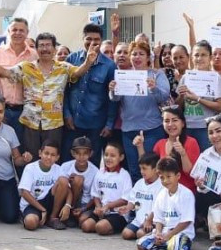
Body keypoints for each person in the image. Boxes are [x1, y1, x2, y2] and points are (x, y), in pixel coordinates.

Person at [0, 33, 98, 154]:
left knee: (52, 158)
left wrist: (88, 62)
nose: (45, 49)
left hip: (53, 124)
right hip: (30, 123)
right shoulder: (26, 67)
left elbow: (77, 73)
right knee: (30, 158)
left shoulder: (63, 68)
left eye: (48, 45)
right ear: (36, 49)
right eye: (41, 45)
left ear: (54, 49)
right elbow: (5, 73)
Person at [109, 40, 170, 179]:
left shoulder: (157, 74)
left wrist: (154, 88)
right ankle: (138, 200)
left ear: (148, 57)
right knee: (135, 171)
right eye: (134, 54)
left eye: (141, 54)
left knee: (153, 170)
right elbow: (116, 99)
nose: (137, 57)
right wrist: (112, 90)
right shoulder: (123, 75)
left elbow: (164, 96)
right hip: (129, 131)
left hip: (152, 129)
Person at [63, 23, 116, 159]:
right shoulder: (71, 59)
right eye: (89, 39)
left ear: (101, 41)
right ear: (83, 39)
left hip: (96, 125)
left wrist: (109, 124)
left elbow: (112, 97)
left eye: (96, 40)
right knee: (69, 161)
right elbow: (64, 91)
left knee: (92, 162)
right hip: (72, 122)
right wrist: (67, 114)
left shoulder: (109, 66)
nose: (92, 43)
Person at [136, 157, 195, 250]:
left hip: (180, 233)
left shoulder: (186, 194)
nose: (165, 180)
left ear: (178, 176)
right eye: (162, 178)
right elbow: (159, 218)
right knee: (141, 245)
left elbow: (186, 221)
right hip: (165, 232)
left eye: (168, 176)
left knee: (175, 249)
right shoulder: (161, 194)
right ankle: (163, 244)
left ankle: (168, 244)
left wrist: (169, 235)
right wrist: (158, 233)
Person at [133, 108, 200, 192]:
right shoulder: (160, 143)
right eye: (167, 121)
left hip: (185, 193)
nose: (170, 124)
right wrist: (140, 146)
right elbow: (149, 168)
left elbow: (190, 173)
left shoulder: (191, 142)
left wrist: (183, 154)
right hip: (163, 193)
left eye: (174, 120)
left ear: (182, 123)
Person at [174, 41, 221, 148]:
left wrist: (198, 99)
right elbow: (178, 106)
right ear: (191, 57)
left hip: (207, 127)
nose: (199, 58)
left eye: (203, 55)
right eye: (196, 55)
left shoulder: (215, 78)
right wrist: (182, 96)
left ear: (210, 57)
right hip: (187, 126)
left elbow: (220, 106)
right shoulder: (186, 77)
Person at [0, 18, 37, 137]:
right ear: (8, 31)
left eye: (21, 30)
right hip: (1, 110)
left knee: (21, 149)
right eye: (14, 30)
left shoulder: (34, 55)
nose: (17, 33)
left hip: (25, 111)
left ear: (27, 33)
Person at [80, 143, 132, 236]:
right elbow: (96, 195)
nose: (108, 158)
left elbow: (125, 199)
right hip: (103, 211)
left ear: (121, 157)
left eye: (113, 156)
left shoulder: (124, 175)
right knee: (85, 225)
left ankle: (111, 227)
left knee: (100, 227)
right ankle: (104, 224)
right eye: (106, 155)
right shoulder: (100, 172)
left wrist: (108, 206)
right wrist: (99, 207)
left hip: (117, 213)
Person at [18, 142, 68, 231]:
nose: (49, 157)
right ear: (40, 153)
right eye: (46, 153)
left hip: (50, 201)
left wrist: (68, 205)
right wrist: (42, 210)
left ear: (57, 157)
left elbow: (68, 189)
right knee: (31, 223)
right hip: (33, 203)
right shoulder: (30, 168)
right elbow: (24, 193)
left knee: (63, 180)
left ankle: (52, 218)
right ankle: (28, 217)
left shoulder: (59, 169)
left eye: (53, 155)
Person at [120, 152, 162, 240]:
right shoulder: (139, 183)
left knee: (140, 234)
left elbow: (158, 208)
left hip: (152, 221)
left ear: (155, 169)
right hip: (138, 220)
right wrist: (127, 208)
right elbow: (132, 200)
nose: (142, 171)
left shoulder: (161, 186)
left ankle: (154, 234)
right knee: (126, 234)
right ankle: (144, 233)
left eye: (144, 169)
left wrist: (149, 220)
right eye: (140, 169)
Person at [60, 136, 97, 227]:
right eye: (78, 153)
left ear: (90, 153)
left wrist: (84, 209)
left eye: (85, 153)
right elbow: (61, 187)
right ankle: (69, 213)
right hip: (68, 202)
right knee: (77, 180)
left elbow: (95, 196)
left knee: (83, 222)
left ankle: (74, 215)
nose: (81, 157)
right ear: (73, 153)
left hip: (85, 205)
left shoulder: (96, 171)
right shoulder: (65, 166)